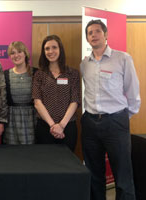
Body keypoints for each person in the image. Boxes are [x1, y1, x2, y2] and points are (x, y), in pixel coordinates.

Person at [81, 19, 141, 200]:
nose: (94, 35)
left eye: (97, 31)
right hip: (90, 123)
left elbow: (133, 92)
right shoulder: (85, 64)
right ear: (87, 38)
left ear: (105, 35)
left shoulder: (122, 58)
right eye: (90, 33)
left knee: (122, 174)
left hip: (115, 122)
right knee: (94, 173)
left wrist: (121, 117)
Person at [32, 35, 80, 151]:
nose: (50, 51)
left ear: (60, 50)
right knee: (46, 164)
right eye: (47, 49)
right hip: (45, 127)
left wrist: (61, 125)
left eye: (54, 47)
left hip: (68, 126)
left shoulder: (72, 73)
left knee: (68, 164)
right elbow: (37, 102)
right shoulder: (39, 74)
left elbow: (75, 101)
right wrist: (53, 126)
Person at [3, 41, 37, 144]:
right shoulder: (5, 75)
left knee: (31, 154)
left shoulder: (36, 73)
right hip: (11, 121)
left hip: (32, 119)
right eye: (12, 53)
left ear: (25, 53)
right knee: (12, 154)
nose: (16, 55)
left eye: (19, 51)